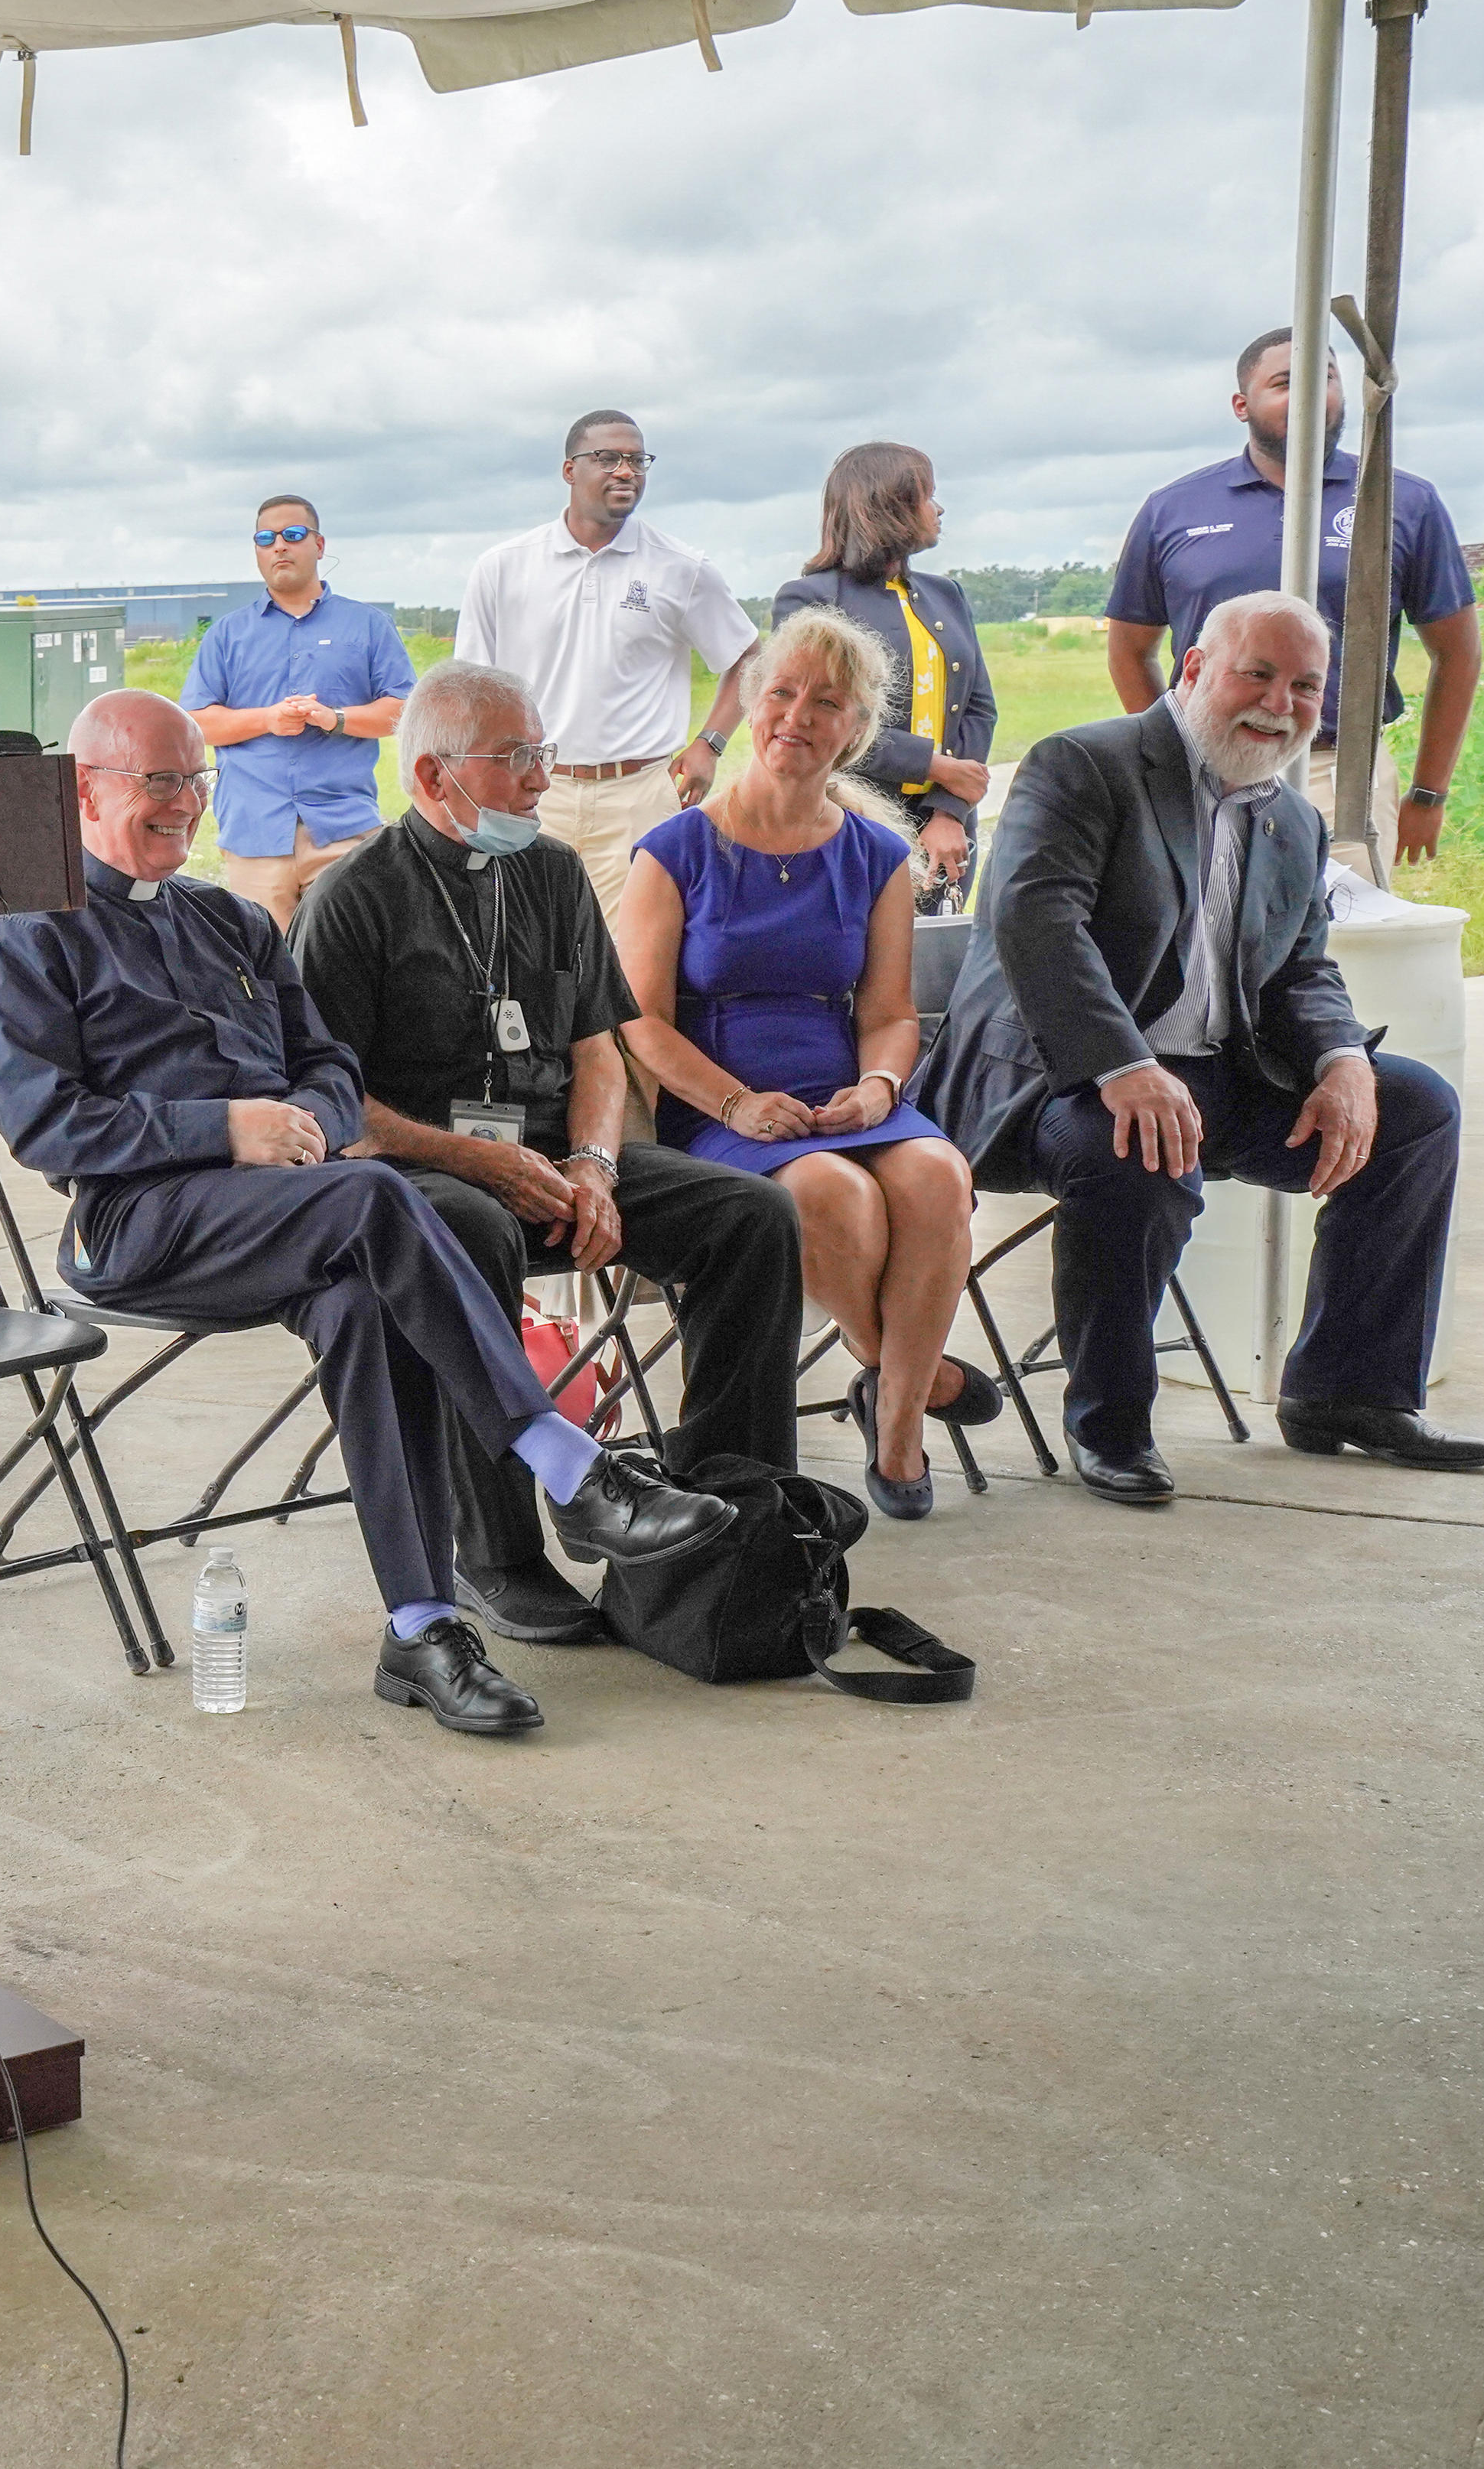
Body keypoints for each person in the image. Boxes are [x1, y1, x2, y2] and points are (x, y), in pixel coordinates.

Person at [0, 688, 737, 1736]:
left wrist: (307, 1124)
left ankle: (421, 1627)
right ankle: (568, 1463)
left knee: (365, 1305)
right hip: (141, 1221)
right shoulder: (27, 938)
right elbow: (48, 1125)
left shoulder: (229, 918)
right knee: (381, 1199)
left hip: (292, 1203)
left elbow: (327, 1063)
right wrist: (228, 1128)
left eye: (198, 780)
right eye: (159, 781)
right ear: (83, 790)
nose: (186, 804)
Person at [916, 590, 1484, 1504]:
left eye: (1304, 685)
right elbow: (1038, 924)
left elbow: (1299, 971)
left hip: (1212, 1074)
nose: (1279, 702)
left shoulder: (1291, 822)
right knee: (1134, 1152)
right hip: (1056, 1080)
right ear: (1193, 669)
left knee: (1414, 1109)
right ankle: (1107, 1424)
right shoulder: (1083, 765)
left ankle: (1344, 1393)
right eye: (1256, 673)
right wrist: (1123, 1066)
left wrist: (1341, 1061)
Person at [294, 661, 806, 1641]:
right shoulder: (355, 897)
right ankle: (495, 1553)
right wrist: (479, 1161)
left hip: (551, 1159)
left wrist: (592, 1166)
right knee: (471, 1230)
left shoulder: (553, 870)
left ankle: (716, 1513)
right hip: (407, 1174)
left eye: (542, 753)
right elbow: (333, 1103)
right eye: (517, 758)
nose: (540, 778)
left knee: (751, 1217)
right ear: (434, 777)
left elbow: (594, 1049)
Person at [615, 608, 994, 1520]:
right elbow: (639, 1026)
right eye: (780, 693)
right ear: (750, 705)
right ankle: (905, 1370)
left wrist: (877, 1087)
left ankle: (894, 1422)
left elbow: (889, 1014)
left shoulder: (874, 854)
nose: (797, 715)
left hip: (842, 1092)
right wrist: (738, 1103)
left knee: (938, 1174)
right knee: (834, 1196)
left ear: (856, 731)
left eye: (824, 702)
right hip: (716, 1105)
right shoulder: (673, 851)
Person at [1105, 327, 1481, 864]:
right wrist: (1170, 759)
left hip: (1341, 772)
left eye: (1324, 379)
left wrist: (1429, 791)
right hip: (1208, 770)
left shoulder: (1401, 502)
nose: (1307, 396)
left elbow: (1458, 651)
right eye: (1284, 383)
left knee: (1347, 941)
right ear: (1242, 404)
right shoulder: (1174, 510)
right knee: (1202, 937)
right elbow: (1128, 649)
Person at [455, 410, 763, 920]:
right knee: (526, 949)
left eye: (637, 460)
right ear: (569, 470)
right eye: (608, 458)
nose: (627, 471)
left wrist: (710, 744)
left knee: (632, 967)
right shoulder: (504, 567)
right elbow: (469, 690)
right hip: (532, 792)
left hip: (639, 797)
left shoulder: (681, 567)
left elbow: (747, 658)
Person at [179, 491, 419, 928]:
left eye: (293, 534)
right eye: (265, 538)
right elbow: (196, 723)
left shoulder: (367, 626)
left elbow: (405, 710)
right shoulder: (227, 635)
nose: (279, 546)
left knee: (344, 969)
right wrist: (267, 719)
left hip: (342, 832)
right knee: (266, 972)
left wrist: (337, 718)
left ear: (320, 545)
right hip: (255, 834)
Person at [774, 441, 995, 909]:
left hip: (945, 836)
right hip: (846, 823)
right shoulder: (809, 601)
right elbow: (813, 722)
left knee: (932, 973)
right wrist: (934, 765)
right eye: (926, 495)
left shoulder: (947, 594)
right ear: (889, 506)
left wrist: (949, 812)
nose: (938, 509)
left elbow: (979, 707)